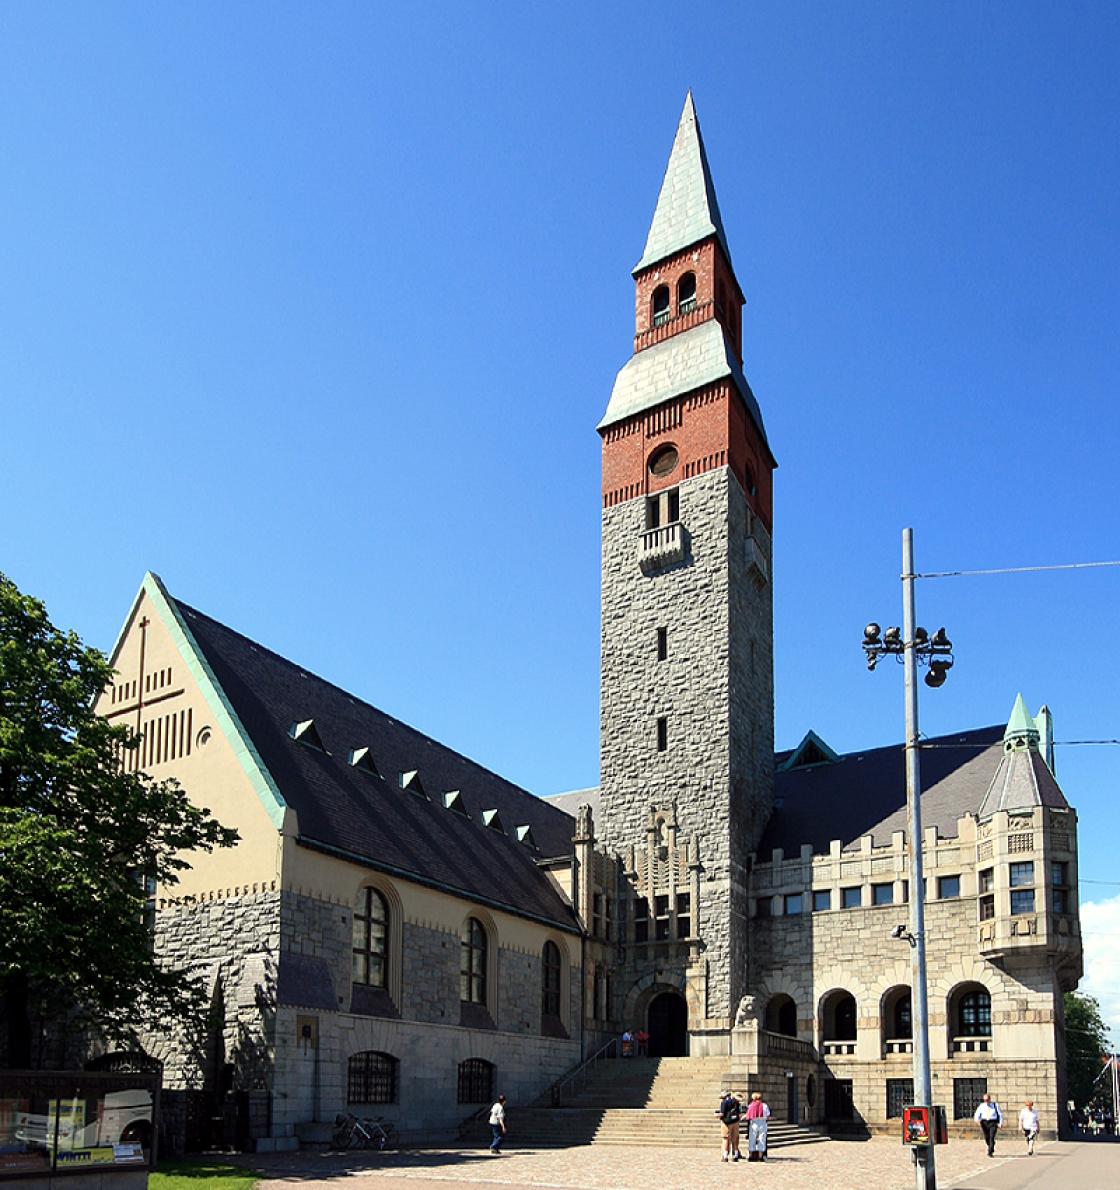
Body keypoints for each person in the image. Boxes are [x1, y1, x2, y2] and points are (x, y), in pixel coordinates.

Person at [715, 1088, 742, 1162]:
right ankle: (735, 1155)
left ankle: (725, 1155)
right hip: (735, 1121)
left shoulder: (724, 1102)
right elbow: (740, 1114)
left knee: (726, 1138)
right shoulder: (736, 1101)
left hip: (727, 1122)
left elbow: (722, 1114)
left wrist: (716, 1115)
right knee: (735, 1138)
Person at [973, 1093, 1003, 1157]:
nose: (986, 1101)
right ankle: (991, 1144)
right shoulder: (981, 1106)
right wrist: (977, 1120)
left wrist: (1000, 1123)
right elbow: (977, 1114)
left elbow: (1000, 1114)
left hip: (993, 1122)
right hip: (984, 1122)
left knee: (991, 1137)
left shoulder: (995, 1105)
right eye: (984, 1100)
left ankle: (990, 1152)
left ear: (989, 1099)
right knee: (987, 1137)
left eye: (987, 1100)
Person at [745, 1091, 771, 1161]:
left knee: (752, 1139)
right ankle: (760, 1156)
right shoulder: (764, 1105)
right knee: (762, 1139)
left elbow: (748, 1116)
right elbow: (768, 1115)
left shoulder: (751, 1105)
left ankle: (751, 1156)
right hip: (762, 1122)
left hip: (754, 1123)